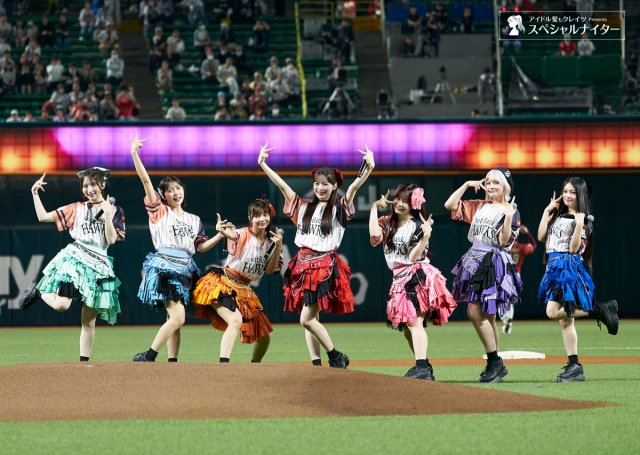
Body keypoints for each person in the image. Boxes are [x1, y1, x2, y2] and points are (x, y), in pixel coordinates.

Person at [258, 142, 375, 368]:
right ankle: (316, 363)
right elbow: (281, 186)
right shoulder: (303, 207)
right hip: (302, 265)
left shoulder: (339, 209)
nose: (320, 187)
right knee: (311, 319)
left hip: (323, 266)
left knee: (306, 319)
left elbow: (352, 189)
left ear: (334, 186)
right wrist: (263, 164)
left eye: (325, 184)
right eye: (317, 183)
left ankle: (336, 356)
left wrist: (368, 168)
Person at [129, 131, 221, 362]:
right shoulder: (160, 211)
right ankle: (149, 355)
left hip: (186, 269)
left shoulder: (194, 219)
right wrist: (135, 155)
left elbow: (201, 248)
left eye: (178, 188)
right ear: (163, 195)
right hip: (165, 267)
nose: (175, 192)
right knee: (178, 317)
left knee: (175, 319)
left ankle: (172, 362)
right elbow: (145, 181)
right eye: (170, 190)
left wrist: (220, 235)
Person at [18, 168, 126, 361]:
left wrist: (108, 215)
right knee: (61, 305)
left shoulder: (115, 210)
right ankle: (38, 291)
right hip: (77, 258)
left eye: (93, 184)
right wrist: (34, 193)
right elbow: (43, 217)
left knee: (89, 321)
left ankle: (83, 363)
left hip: (99, 265)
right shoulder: (77, 208)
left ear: (102, 184)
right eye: (85, 186)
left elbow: (110, 240)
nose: (89, 189)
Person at [369, 184, 457, 380]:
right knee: (407, 328)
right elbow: (374, 236)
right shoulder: (388, 222)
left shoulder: (418, 225)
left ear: (414, 204)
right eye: (398, 199)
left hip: (416, 274)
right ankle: (424, 366)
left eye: (405, 201)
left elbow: (412, 256)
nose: (400, 204)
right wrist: (374, 208)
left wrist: (426, 236)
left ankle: (422, 367)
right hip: (399, 277)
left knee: (414, 322)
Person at [444, 168, 522, 383]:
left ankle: (494, 362)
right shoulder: (481, 206)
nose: (490, 186)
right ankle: (496, 364)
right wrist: (467, 184)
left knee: (474, 312)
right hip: (474, 258)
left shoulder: (511, 211)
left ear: (505, 186)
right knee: (488, 316)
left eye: (496, 182)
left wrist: (508, 217)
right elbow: (450, 205)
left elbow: (504, 241)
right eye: (488, 182)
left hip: (493, 261)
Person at [537, 177, 618, 382]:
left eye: (572, 192)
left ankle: (599, 310)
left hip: (568, 268)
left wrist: (579, 224)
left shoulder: (583, 219)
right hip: (554, 267)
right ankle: (575, 366)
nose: (567, 195)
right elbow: (541, 237)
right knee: (565, 320)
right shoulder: (558, 215)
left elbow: (574, 249)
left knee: (552, 312)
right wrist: (547, 211)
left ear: (580, 194)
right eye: (565, 191)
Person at [191, 199, 283, 363]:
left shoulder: (272, 242)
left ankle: (254, 366)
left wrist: (278, 246)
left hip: (243, 290)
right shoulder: (243, 234)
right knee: (235, 321)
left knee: (264, 336)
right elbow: (232, 234)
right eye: (257, 216)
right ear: (250, 218)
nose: (262, 219)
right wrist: (223, 230)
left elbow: (269, 271)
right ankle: (224, 365)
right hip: (223, 284)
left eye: (265, 215)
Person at [501, 223, 537, 334]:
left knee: (500, 298)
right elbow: (533, 245)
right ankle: (508, 322)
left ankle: (505, 319)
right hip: (516, 275)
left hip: (503, 274)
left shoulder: (503, 247)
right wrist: (527, 233)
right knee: (510, 299)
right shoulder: (521, 247)